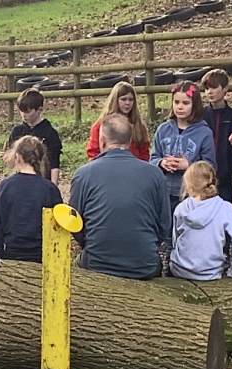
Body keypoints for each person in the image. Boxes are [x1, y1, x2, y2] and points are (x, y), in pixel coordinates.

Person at [67, 113, 171, 279]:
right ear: (130, 141)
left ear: (102, 141)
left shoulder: (83, 174)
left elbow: (75, 223)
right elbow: (164, 225)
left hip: (96, 263)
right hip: (144, 265)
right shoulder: (155, 174)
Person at [168, 160, 232, 281]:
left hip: (179, 269)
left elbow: (175, 241)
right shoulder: (225, 208)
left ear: (188, 184)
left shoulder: (181, 208)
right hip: (210, 271)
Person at [0, 136, 62, 261]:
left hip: (11, 254)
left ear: (17, 156)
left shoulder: (4, 186)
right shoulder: (50, 189)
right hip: (41, 256)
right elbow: (58, 229)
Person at [150, 81, 216, 203]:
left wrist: (189, 165)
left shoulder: (204, 133)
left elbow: (210, 166)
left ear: (195, 105)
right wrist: (162, 163)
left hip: (191, 193)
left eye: (185, 103)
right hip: (164, 191)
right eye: (176, 102)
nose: (180, 107)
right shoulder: (163, 129)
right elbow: (153, 158)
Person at [5, 88, 64, 180]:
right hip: (20, 180)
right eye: (21, 111)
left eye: (27, 111)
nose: (23, 115)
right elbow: (11, 163)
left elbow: (54, 164)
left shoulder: (50, 133)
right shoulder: (17, 132)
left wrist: (53, 186)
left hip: (43, 180)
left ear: (39, 109)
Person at [200, 69, 232, 201]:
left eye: (214, 87)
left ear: (225, 89)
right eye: (206, 89)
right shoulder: (201, 115)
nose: (209, 92)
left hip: (225, 173)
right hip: (203, 172)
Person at [84, 81, 149, 162]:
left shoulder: (139, 125)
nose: (127, 103)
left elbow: (144, 153)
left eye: (131, 100)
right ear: (115, 100)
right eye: (123, 99)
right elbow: (93, 153)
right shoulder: (101, 125)